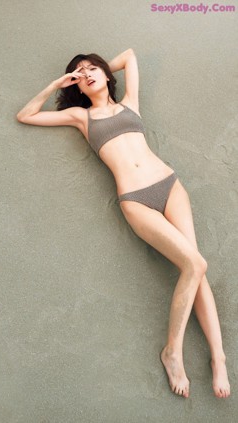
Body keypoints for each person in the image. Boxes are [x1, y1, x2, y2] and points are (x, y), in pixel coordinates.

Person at [16, 48, 230, 398]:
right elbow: (26, 115)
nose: (86, 74)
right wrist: (60, 82)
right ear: (77, 88)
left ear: (104, 74)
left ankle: (218, 359)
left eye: (92, 69)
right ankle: (171, 352)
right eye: (79, 74)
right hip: (136, 201)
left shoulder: (131, 102)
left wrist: (97, 67)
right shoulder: (80, 117)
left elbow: (129, 54)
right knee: (193, 263)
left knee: (197, 268)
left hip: (171, 186)